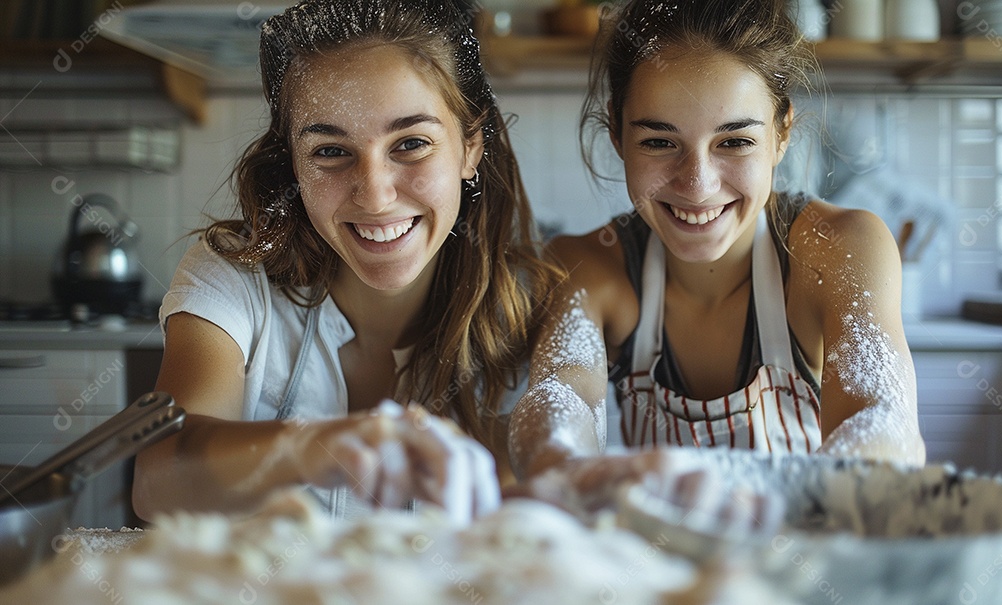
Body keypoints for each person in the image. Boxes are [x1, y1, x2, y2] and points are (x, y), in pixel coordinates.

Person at [132, 0, 608, 524]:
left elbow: (560, 471)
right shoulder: (232, 279)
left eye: (410, 144)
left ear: (471, 146)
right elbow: (159, 480)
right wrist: (319, 444)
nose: (376, 197)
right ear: (292, 160)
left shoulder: (535, 304)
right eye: (330, 152)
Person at [511, 0, 925, 481]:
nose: (698, 184)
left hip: (809, 542)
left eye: (734, 142)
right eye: (659, 142)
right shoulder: (584, 266)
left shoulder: (841, 247)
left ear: (781, 132)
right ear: (618, 136)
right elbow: (561, 405)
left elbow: (880, 421)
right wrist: (560, 469)